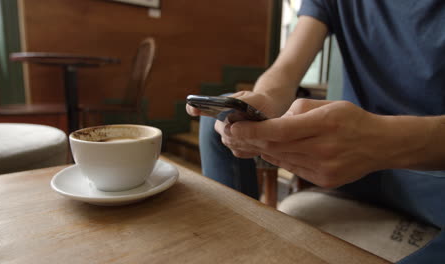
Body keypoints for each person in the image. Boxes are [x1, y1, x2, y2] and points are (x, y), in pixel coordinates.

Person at [187, 0, 445, 263]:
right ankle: (236, 253)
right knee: (219, 125)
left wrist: (385, 140)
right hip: (358, 170)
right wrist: (263, 97)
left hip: (433, 171)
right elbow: (285, 70)